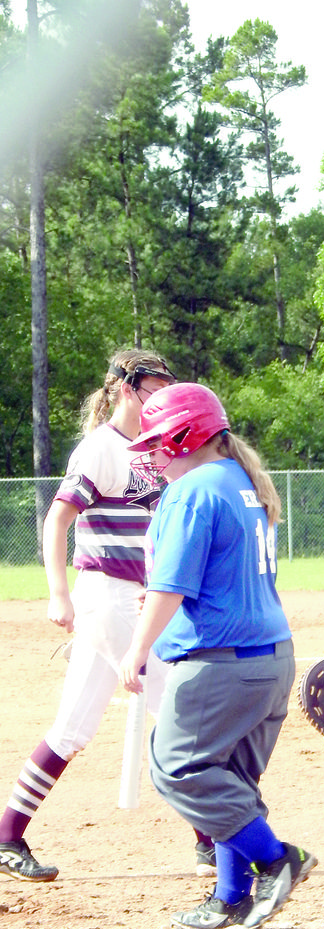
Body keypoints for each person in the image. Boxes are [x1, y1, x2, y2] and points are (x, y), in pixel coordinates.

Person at [119, 382, 316, 929]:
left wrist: (138, 648)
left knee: (177, 768)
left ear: (187, 435)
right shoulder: (240, 480)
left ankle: (277, 859)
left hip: (222, 664)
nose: (154, 456)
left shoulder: (193, 489)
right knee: (231, 779)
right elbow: (214, 575)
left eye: (160, 443)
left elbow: (173, 585)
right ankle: (230, 896)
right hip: (270, 658)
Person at [0, 349, 199, 882]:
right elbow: (56, 520)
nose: (163, 395)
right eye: (154, 386)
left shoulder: (155, 449)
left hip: (130, 598)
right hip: (106, 595)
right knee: (176, 711)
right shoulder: (101, 448)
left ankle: (6, 833)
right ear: (127, 389)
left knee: (72, 727)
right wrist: (58, 593)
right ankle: (214, 837)